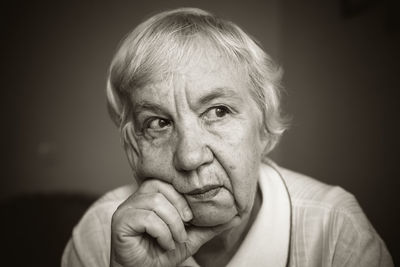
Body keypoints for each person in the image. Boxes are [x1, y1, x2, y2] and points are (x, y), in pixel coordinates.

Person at [62, 7, 393, 267]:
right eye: (159, 123)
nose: (190, 157)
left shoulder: (334, 229)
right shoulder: (99, 233)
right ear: (133, 148)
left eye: (218, 111)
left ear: (264, 129)